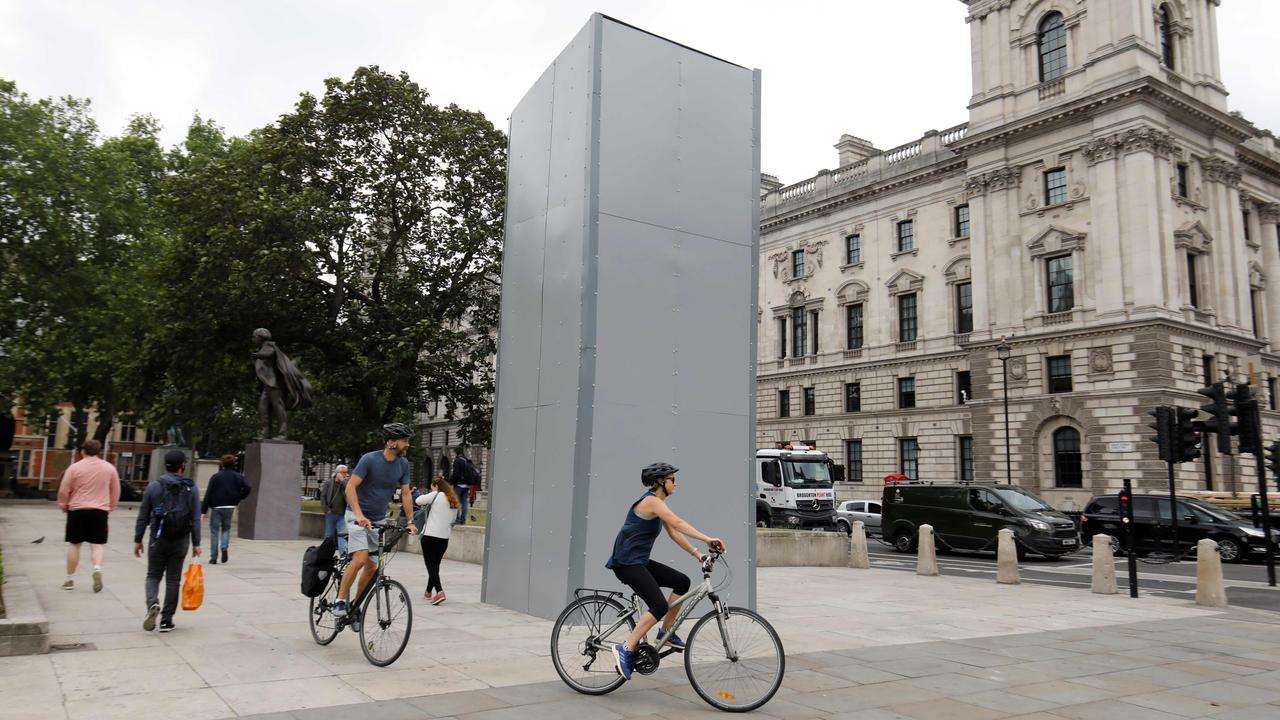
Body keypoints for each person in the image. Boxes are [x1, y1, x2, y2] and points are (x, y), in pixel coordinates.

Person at [607, 462, 724, 681]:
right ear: (662, 482)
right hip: (626, 562)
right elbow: (678, 523)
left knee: (682, 581)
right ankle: (626, 647)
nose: (675, 484)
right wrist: (708, 538)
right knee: (659, 605)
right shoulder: (651, 501)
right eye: (672, 480)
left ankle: (665, 632)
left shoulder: (658, 504)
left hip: (639, 561)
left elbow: (674, 531)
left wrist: (698, 554)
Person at [333, 423, 418, 619]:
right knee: (361, 558)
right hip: (356, 516)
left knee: (373, 566)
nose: (408, 445)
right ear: (391, 442)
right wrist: (359, 515)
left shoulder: (403, 464)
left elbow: (406, 493)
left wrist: (410, 521)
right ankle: (339, 600)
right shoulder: (369, 459)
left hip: (378, 518)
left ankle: (355, 605)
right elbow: (350, 488)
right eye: (405, 441)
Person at [133, 449, 202, 633]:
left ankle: (152, 604)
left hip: (158, 538)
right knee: (173, 580)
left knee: (153, 575)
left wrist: (138, 539)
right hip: (180, 540)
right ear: (183, 466)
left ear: (165, 465)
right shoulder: (191, 488)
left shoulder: (154, 486)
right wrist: (197, 543)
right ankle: (166, 620)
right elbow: (195, 517)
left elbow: (143, 515)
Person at [57, 439, 121, 592]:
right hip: (99, 510)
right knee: (97, 545)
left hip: (77, 510)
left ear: (82, 451)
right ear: (99, 452)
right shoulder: (110, 468)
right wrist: (111, 506)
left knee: (75, 544)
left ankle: (69, 579)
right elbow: (115, 490)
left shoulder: (74, 468)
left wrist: (63, 504)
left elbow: (64, 489)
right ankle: (97, 568)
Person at [414, 473, 459, 605]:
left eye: (432, 487)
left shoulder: (436, 495)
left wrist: (432, 493)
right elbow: (453, 520)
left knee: (430, 566)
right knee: (435, 566)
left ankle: (439, 592)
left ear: (436, 486)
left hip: (429, 536)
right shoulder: (453, 500)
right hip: (444, 538)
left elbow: (418, 500)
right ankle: (428, 591)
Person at [200, 454, 252, 565]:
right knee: (226, 528)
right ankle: (224, 546)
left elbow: (208, 493)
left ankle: (213, 557)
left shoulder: (216, 477)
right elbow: (248, 487)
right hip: (230, 506)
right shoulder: (238, 476)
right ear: (233, 464)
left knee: (214, 531)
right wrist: (240, 497)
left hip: (217, 506)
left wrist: (203, 511)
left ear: (222, 464)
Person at [319, 465, 350, 554]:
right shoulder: (329, 483)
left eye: (346, 472)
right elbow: (323, 496)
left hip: (342, 515)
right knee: (329, 536)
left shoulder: (346, 483)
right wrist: (326, 509)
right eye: (343, 472)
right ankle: (326, 554)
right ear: (337, 473)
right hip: (331, 514)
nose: (346, 474)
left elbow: (350, 489)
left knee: (342, 535)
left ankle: (343, 554)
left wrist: (343, 481)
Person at [449, 446, 477, 525]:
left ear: (456, 452)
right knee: (464, 503)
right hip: (467, 485)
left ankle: (457, 519)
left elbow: (456, 474)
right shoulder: (467, 460)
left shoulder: (457, 461)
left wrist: (451, 482)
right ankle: (463, 520)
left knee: (456, 502)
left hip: (459, 485)